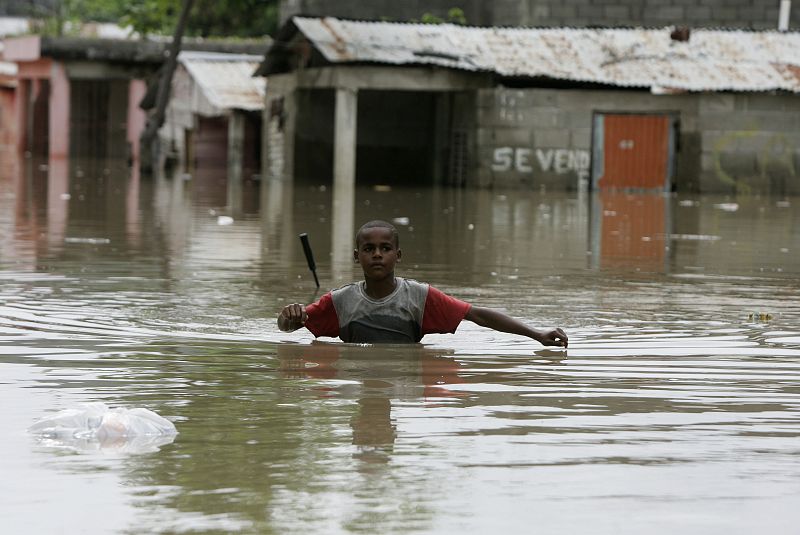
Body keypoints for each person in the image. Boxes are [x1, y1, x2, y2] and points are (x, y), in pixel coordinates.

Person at [278, 220, 568, 347]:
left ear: (398, 255)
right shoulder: (340, 301)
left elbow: (476, 315)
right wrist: (288, 316)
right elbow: (289, 327)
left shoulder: (419, 296)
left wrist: (536, 334)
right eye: (369, 249)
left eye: (385, 248)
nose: (377, 254)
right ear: (357, 257)